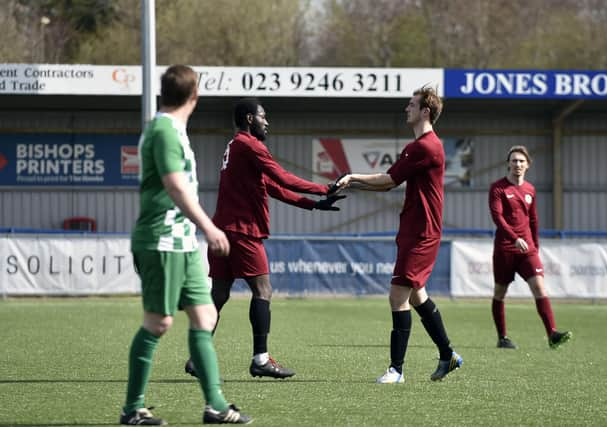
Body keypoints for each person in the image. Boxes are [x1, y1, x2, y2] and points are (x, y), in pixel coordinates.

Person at [123, 65, 251, 425]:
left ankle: (216, 407)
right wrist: (209, 227)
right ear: (194, 96)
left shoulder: (174, 128)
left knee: (206, 315)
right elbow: (175, 185)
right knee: (158, 321)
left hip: (181, 241)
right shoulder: (163, 129)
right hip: (162, 239)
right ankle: (132, 408)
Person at [184, 97, 344, 380]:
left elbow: (272, 187)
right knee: (263, 290)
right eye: (262, 116)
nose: (266, 121)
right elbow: (281, 177)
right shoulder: (251, 145)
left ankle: (198, 356)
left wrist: (314, 203)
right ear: (249, 119)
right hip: (243, 232)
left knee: (219, 294)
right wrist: (324, 187)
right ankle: (260, 359)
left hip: (222, 231)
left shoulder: (235, 147)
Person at [333, 86, 462, 383]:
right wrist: (352, 184)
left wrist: (352, 176)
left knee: (397, 296)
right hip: (414, 229)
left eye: (411, 104)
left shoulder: (425, 146)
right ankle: (448, 355)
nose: (407, 108)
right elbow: (389, 183)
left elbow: (388, 179)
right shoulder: (421, 145)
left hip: (422, 232)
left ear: (425, 111)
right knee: (417, 295)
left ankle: (397, 370)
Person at [489, 145, 572, 350]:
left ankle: (552, 334)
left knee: (539, 287)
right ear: (508, 163)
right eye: (514, 160)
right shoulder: (498, 188)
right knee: (500, 292)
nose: (517, 164)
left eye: (521, 161)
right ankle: (503, 337)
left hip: (527, 250)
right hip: (505, 248)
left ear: (528, 165)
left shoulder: (530, 190)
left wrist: (535, 245)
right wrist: (514, 238)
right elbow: (497, 217)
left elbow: (533, 219)